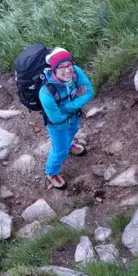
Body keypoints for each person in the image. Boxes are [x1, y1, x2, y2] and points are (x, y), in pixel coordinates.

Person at [39, 47, 94, 189]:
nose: (68, 70)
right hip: (57, 126)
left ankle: (68, 145)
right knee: (60, 151)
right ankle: (51, 172)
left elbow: (90, 92)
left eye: (69, 64)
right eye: (61, 67)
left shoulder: (76, 72)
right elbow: (57, 118)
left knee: (73, 130)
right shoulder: (45, 92)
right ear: (54, 70)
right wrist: (77, 100)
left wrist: (65, 107)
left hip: (73, 118)